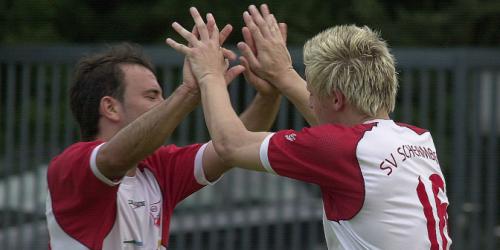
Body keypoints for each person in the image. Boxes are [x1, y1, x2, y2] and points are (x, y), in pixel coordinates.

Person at [166, 4, 452, 249]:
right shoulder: (418, 139)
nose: (309, 102)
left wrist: (209, 75)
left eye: (313, 92)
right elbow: (346, 134)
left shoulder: (342, 148)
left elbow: (231, 145)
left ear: (337, 99)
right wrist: (282, 74)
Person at [46, 22, 284, 249]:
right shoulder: (73, 167)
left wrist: (269, 95)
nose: (163, 103)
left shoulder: (157, 168)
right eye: (151, 96)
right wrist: (189, 92)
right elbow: (114, 159)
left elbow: (234, 147)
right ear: (111, 108)